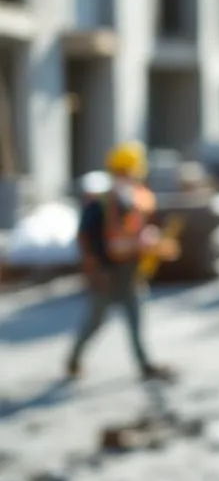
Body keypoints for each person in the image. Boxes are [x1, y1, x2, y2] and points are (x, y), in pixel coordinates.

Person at [66, 141, 174, 381]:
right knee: (94, 321)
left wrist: (150, 242)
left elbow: (134, 233)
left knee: (136, 320)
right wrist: (96, 270)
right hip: (107, 274)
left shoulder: (134, 201)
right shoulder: (99, 203)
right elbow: (93, 242)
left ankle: (145, 365)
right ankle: (73, 360)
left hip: (130, 272)